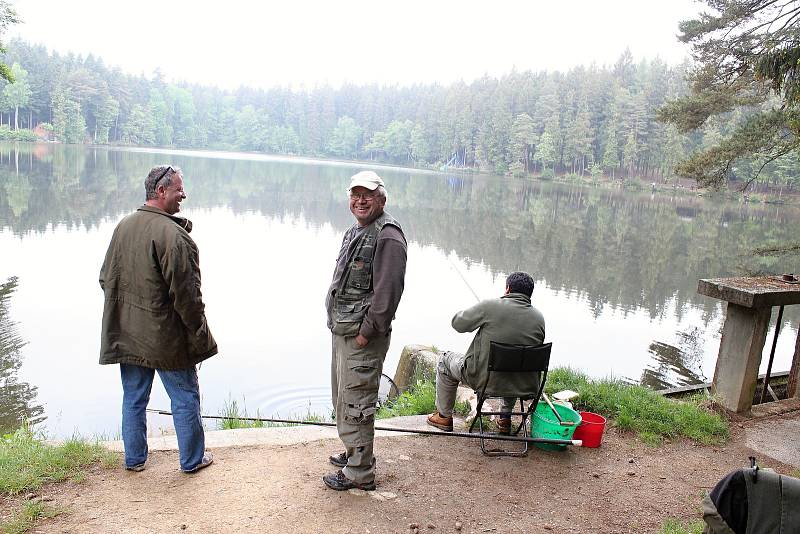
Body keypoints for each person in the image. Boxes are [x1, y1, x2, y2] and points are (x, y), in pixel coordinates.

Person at [99, 165, 217, 473]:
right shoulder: (174, 236)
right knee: (185, 397)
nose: (183, 194)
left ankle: (134, 459)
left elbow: (105, 279)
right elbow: (188, 298)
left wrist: (131, 314)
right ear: (161, 191)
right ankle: (192, 460)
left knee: (134, 398)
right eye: (179, 189)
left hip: (128, 334)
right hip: (166, 339)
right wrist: (199, 332)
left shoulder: (123, 226)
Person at [324, 170, 407, 491]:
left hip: (362, 338)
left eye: (368, 195)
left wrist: (367, 332)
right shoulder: (357, 230)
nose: (360, 200)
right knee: (344, 398)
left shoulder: (388, 236)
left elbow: (388, 293)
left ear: (382, 200)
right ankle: (352, 454)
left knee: (358, 401)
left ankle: (360, 473)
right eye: (355, 194)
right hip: (344, 332)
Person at [427, 271, 545, 434]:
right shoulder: (539, 318)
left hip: (484, 380)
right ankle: (505, 418)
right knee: (515, 362)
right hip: (524, 384)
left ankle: (444, 416)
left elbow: (458, 324)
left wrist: (479, 310)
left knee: (444, 360)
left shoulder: (490, 306)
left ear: (507, 289)